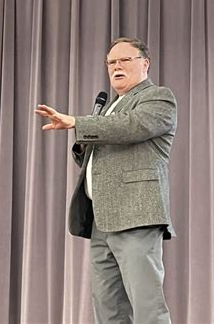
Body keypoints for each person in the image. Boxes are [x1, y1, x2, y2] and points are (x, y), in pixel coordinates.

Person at [35, 37, 177, 324]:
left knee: (147, 306)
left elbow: (132, 127)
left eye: (125, 60)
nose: (116, 67)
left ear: (145, 63)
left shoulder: (158, 97)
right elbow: (103, 158)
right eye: (111, 62)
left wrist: (79, 123)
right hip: (102, 217)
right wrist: (83, 145)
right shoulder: (110, 106)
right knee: (107, 307)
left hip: (136, 214)